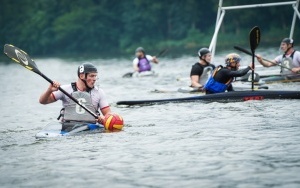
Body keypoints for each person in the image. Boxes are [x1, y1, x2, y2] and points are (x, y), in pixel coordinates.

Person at [39, 63, 111, 125]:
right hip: (67, 127)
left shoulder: (99, 92)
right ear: (82, 76)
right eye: (92, 76)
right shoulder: (65, 89)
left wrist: (104, 119)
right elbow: (42, 101)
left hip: (91, 129)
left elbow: (108, 114)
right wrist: (49, 90)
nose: (94, 79)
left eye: (95, 76)